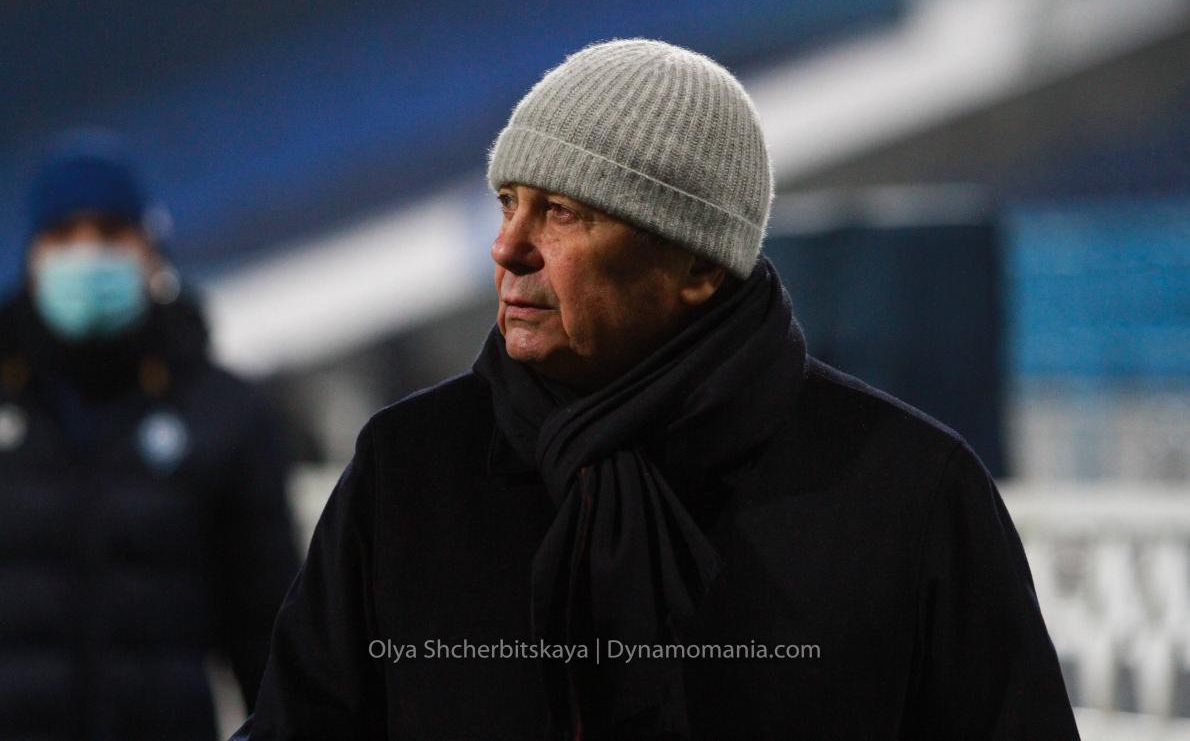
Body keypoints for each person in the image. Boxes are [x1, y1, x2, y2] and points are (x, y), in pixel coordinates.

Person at [235, 40, 1079, 739]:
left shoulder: (907, 488)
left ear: (698, 264)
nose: (508, 247)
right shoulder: (410, 467)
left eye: (563, 212)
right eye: (507, 203)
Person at [0, 132, 300, 741]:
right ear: (31, 257)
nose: (87, 255)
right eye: (63, 236)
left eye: (110, 233)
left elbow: (270, 633)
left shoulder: (222, 414)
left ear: (149, 248)